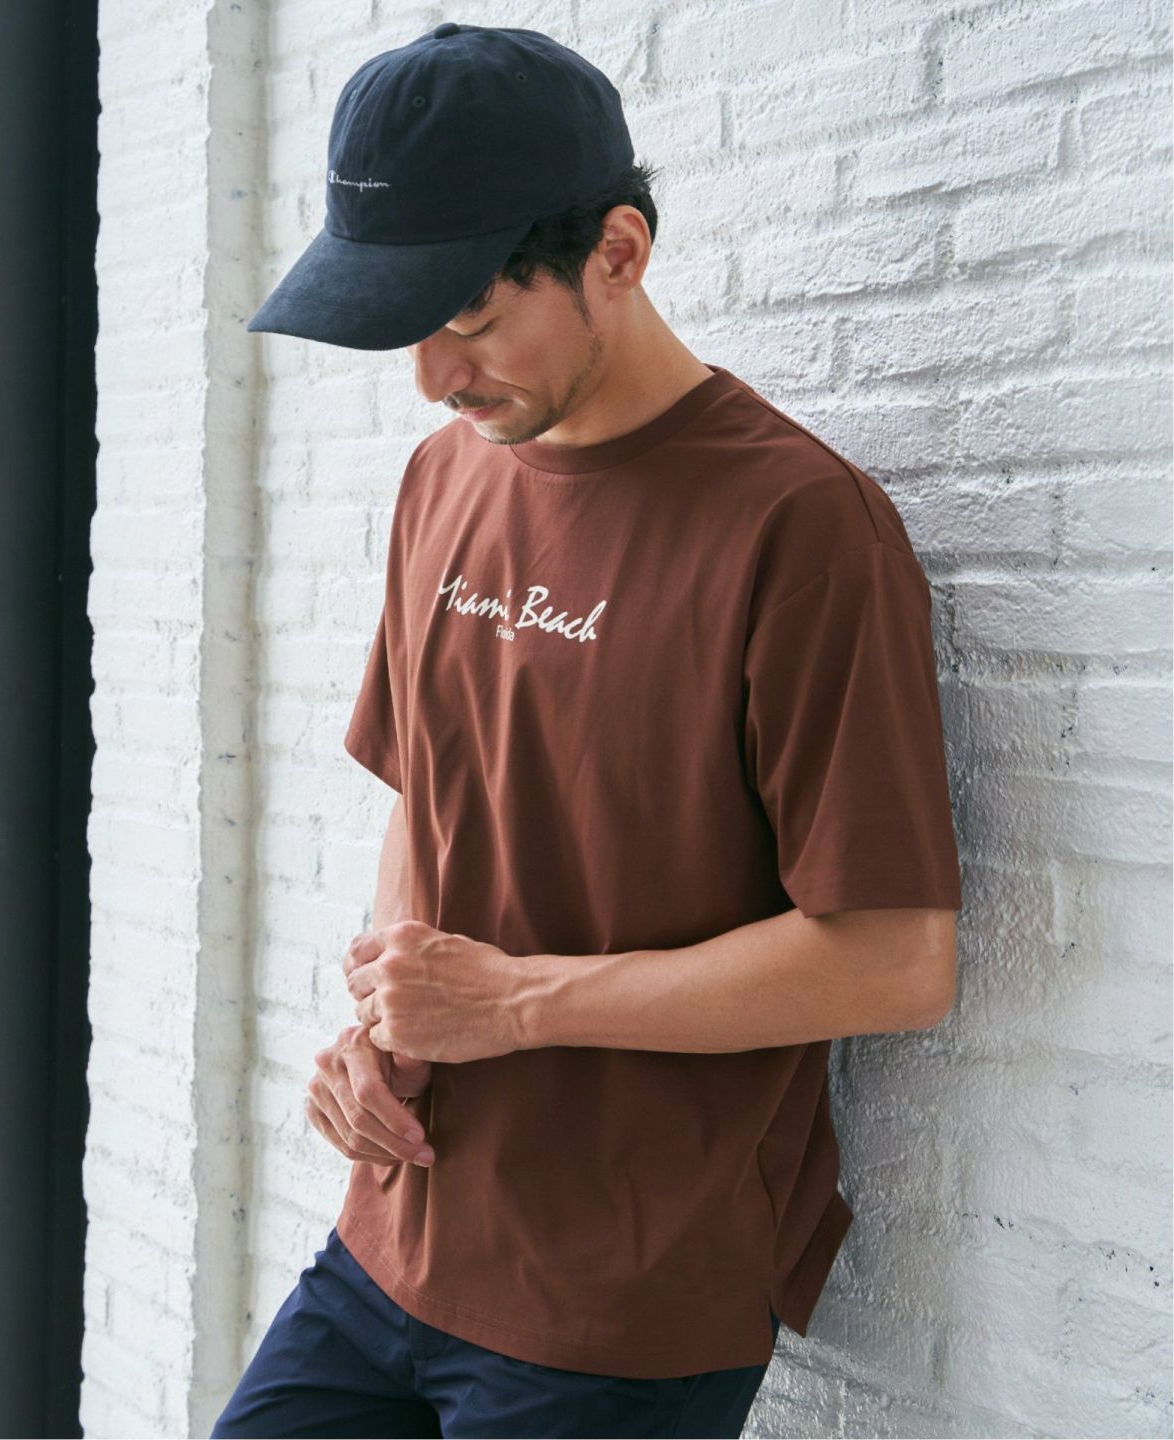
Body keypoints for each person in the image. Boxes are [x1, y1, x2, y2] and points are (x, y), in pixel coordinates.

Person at [212, 21, 963, 1440]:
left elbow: (895, 959)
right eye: (403, 326)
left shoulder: (801, 529)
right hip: (391, 1239)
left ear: (617, 251)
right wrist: (386, 1019)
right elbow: (429, 800)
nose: (434, 377)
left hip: (616, 1308)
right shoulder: (444, 480)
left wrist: (511, 1005)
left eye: (470, 316)